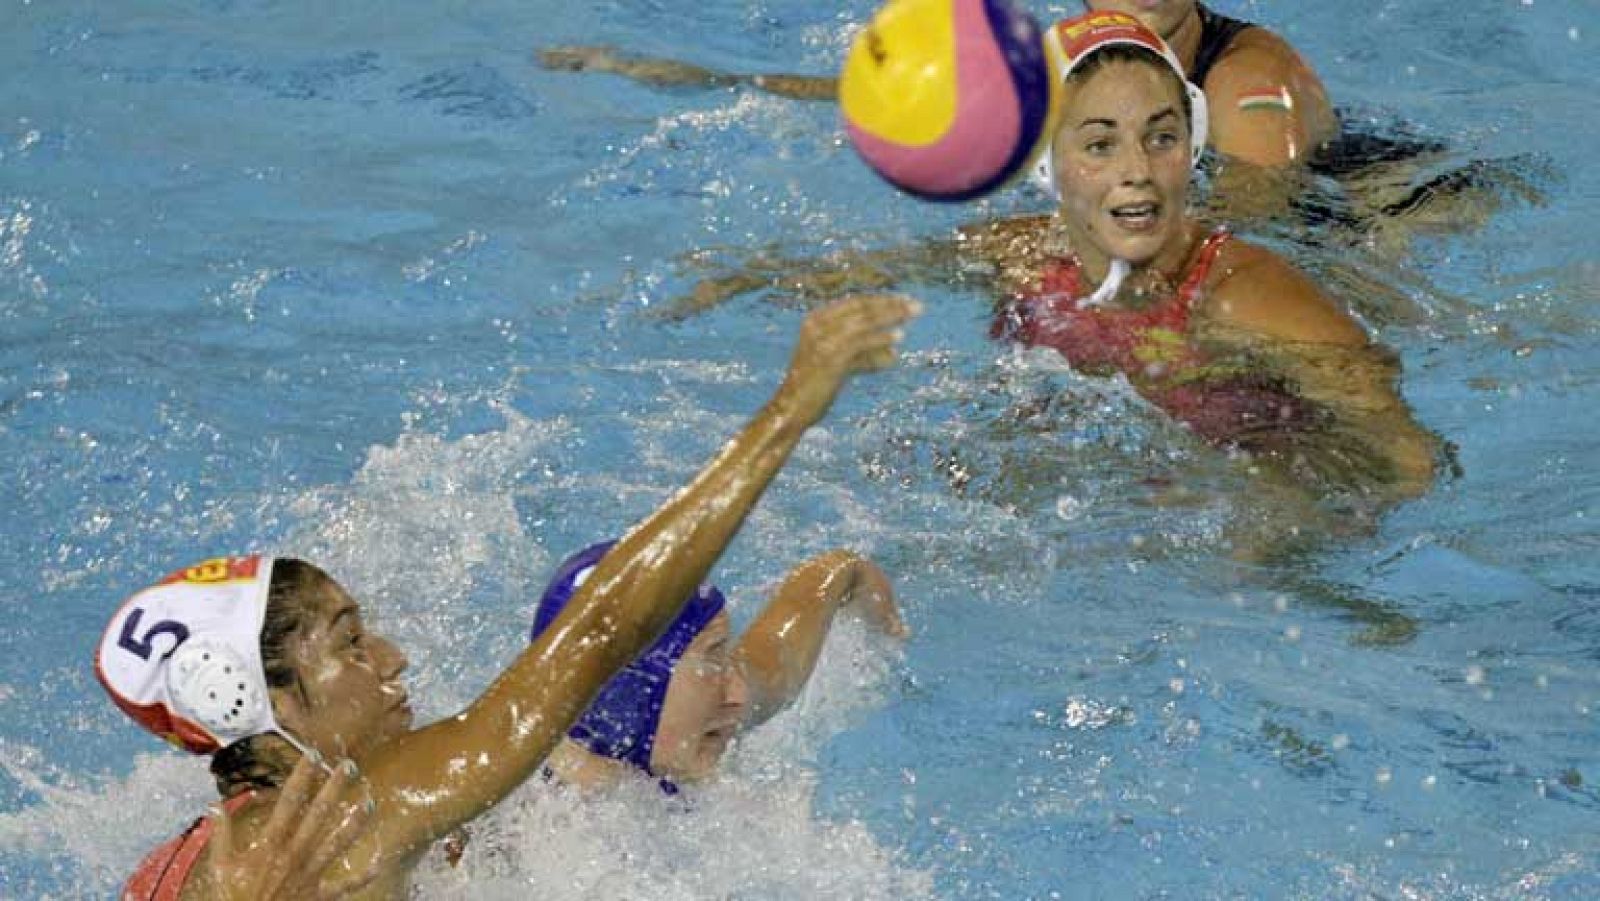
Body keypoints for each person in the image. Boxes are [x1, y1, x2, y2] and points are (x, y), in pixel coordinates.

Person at [95, 293, 919, 899]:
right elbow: (600, 632)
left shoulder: (191, 856)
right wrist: (786, 413)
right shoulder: (353, 821)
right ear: (254, 697)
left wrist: (831, 579)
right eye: (348, 642)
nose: (391, 656)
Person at [530, 541, 905, 793]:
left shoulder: (713, 716)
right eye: (711, 659)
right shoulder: (518, 842)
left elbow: (835, 575)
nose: (739, 694)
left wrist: (885, 624)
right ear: (626, 692)